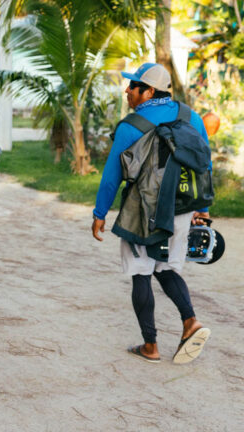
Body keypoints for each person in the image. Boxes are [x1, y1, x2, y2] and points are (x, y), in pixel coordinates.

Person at [91, 62, 212, 365]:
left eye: (133, 86)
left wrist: (100, 213)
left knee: (141, 272)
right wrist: (203, 208)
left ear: (147, 92)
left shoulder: (131, 125)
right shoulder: (192, 117)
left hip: (142, 212)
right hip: (182, 209)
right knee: (167, 268)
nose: (127, 91)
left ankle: (151, 346)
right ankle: (190, 321)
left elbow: (112, 174)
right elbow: (203, 164)